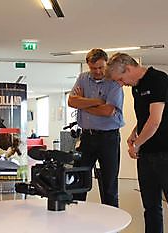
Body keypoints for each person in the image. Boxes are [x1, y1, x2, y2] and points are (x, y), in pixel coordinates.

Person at [106, 52, 168, 233]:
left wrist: (136, 145)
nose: (121, 84)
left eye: (121, 79)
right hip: (147, 155)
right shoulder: (136, 87)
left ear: (128, 69)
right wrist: (134, 132)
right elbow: (146, 117)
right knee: (151, 208)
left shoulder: (158, 79)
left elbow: (155, 120)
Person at [68, 48, 124, 207]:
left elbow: (107, 111)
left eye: (101, 67)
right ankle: (76, 219)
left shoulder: (114, 82)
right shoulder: (82, 78)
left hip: (109, 138)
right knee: (79, 181)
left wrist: (83, 102)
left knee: (109, 185)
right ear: (88, 65)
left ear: (106, 64)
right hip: (87, 137)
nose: (97, 71)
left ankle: (111, 222)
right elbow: (71, 102)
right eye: (93, 68)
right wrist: (98, 101)